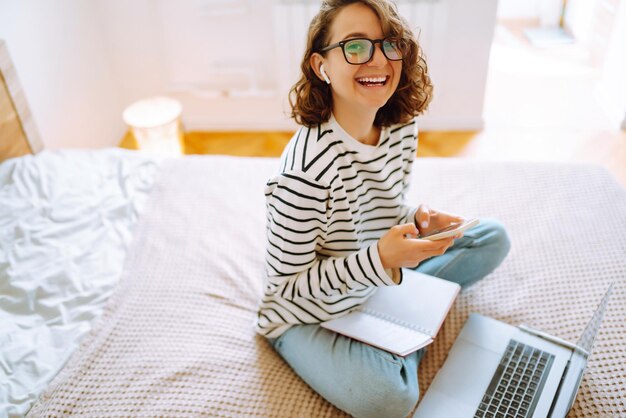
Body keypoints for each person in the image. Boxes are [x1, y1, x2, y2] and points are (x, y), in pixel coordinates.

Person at [256, 1, 511, 416]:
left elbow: (383, 207)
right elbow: (287, 287)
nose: (377, 60)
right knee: (389, 401)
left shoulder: (400, 125)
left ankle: (398, 333)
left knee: (491, 237)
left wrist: (418, 222)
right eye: (355, 47)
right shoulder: (302, 175)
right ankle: (403, 337)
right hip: (307, 314)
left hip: (374, 279)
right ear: (321, 66)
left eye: (388, 44)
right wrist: (380, 260)